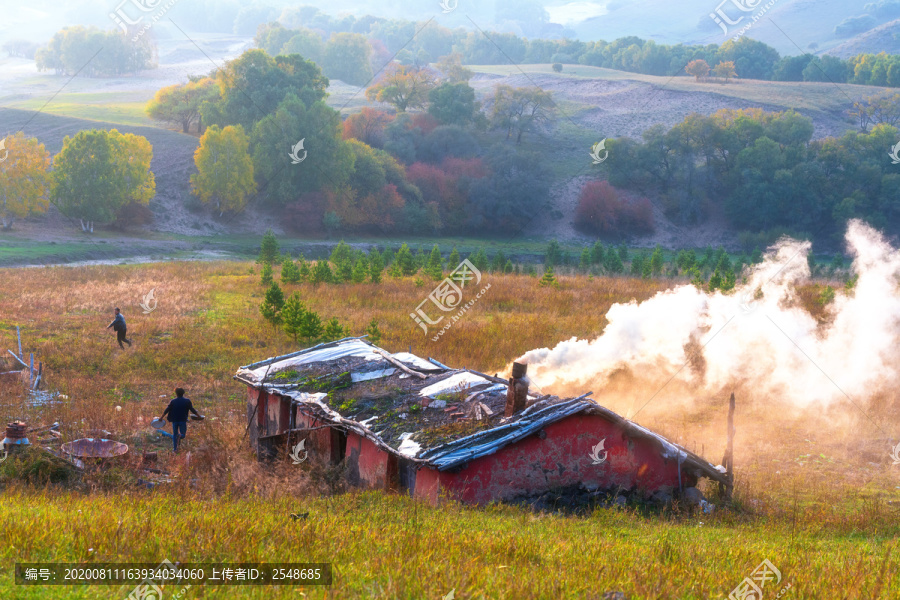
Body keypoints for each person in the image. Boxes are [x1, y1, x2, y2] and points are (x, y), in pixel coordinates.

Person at [161, 388, 201, 452]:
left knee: (174, 434)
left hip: (174, 420)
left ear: (176, 394)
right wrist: (198, 416)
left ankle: (175, 449)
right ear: (183, 393)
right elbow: (192, 409)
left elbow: (167, 410)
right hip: (183, 420)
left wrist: (161, 417)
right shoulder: (187, 401)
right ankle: (180, 436)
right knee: (183, 435)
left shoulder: (173, 401)